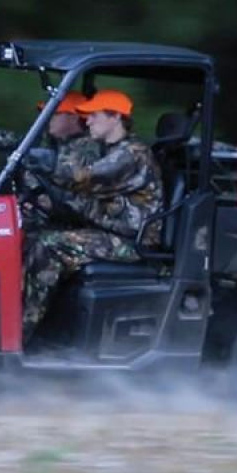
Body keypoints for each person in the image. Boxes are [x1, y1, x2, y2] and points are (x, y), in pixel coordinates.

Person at [22, 89, 164, 342]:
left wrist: (42, 162)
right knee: (33, 236)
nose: (87, 121)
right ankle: (44, 326)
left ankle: (22, 330)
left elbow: (86, 177)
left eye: (94, 115)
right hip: (111, 232)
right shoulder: (109, 149)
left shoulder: (132, 153)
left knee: (49, 245)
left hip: (132, 242)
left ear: (115, 117)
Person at [0, 92, 101, 227]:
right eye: (45, 113)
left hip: (66, 221)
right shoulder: (47, 141)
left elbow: (70, 192)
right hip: (37, 211)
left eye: (55, 114)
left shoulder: (87, 150)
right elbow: (5, 141)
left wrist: (36, 199)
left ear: (74, 118)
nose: (48, 118)